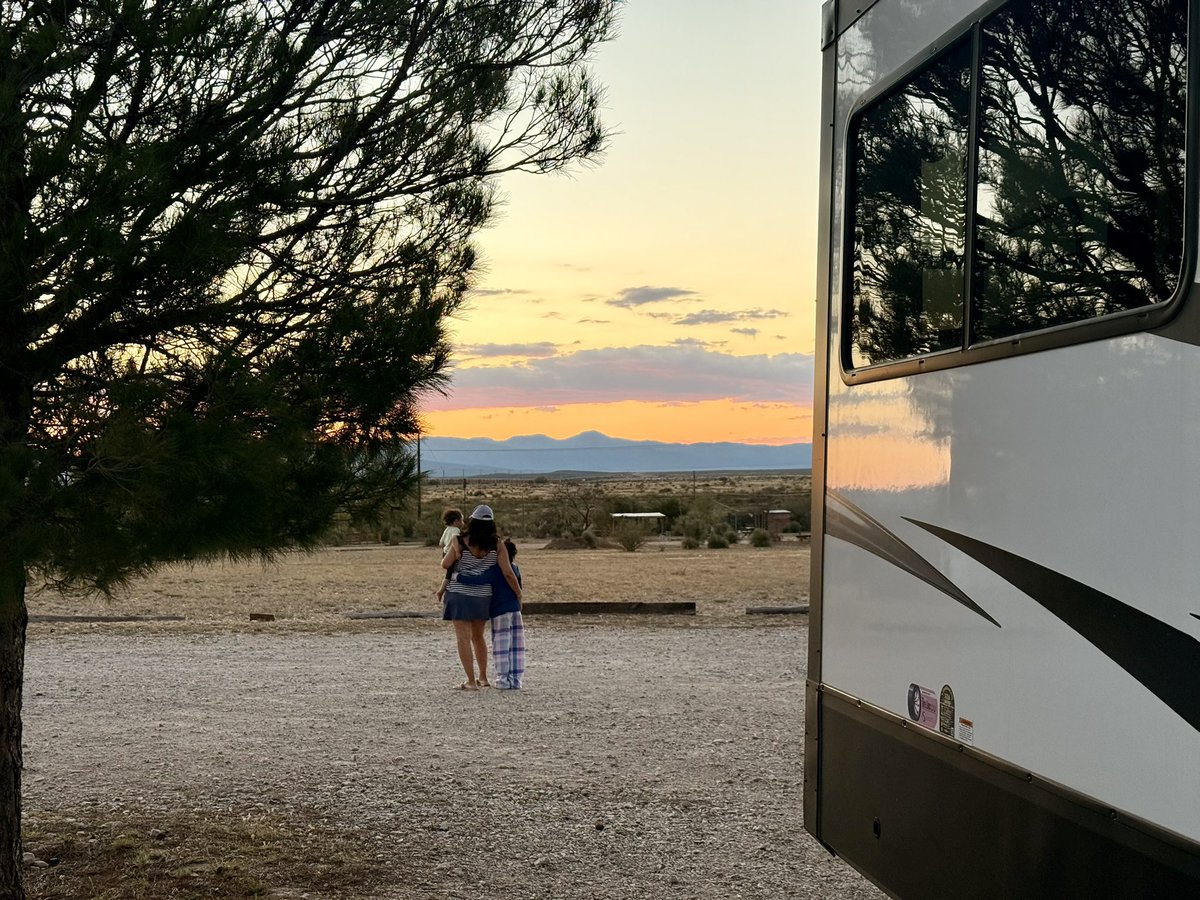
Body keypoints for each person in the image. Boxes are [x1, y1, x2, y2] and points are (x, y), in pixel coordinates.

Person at [441, 505, 521, 690]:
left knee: (463, 638)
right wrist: (518, 593)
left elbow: (446, 564)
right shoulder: (497, 544)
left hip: (459, 593)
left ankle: (470, 681)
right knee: (478, 637)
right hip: (483, 596)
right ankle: (483, 677)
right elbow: (508, 572)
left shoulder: (460, 541)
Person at [456, 538, 525, 690]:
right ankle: (516, 680)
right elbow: (518, 585)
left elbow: (479, 579)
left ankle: (502, 680)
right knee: (516, 646)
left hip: (500, 611)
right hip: (515, 610)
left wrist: (457, 576)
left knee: (501, 645)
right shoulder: (516, 568)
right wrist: (520, 597)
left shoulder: (495, 570)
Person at [435, 509, 464, 605]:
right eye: (461, 521)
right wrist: (457, 551)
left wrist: (446, 547)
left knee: (450, 573)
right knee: (449, 574)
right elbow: (455, 539)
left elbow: (440, 543)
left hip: (445, 553)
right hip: (451, 554)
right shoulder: (456, 530)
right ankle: (441, 591)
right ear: (456, 521)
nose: (462, 523)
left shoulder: (447, 530)